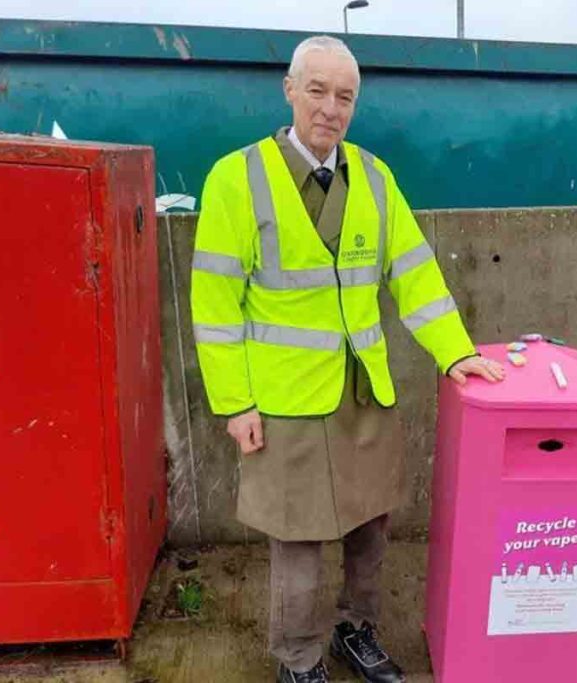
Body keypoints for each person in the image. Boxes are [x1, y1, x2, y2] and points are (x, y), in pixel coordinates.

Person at [190, 35, 504, 683]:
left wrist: (455, 353)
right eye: (318, 91)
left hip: (364, 393)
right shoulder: (236, 177)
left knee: (369, 529)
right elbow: (215, 303)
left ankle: (355, 630)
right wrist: (235, 402)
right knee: (298, 540)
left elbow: (414, 276)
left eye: (345, 96)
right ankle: (299, 660)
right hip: (284, 401)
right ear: (289, 90)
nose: (331, 108)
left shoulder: (374, 176)